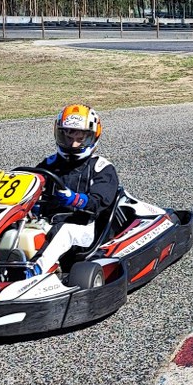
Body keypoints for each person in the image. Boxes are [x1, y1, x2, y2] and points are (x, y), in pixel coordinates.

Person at [26, 104, 120, 277]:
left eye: (80, 139)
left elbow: (99, 202)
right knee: (15, 228)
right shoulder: (49, 165)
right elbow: (30, 184)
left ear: (92, 137)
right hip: (48, 222)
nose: (73, 144)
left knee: (64, 231)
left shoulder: (101, 168)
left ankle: (33, 272)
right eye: (68, 137)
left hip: (84, 228)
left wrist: (75, 199)